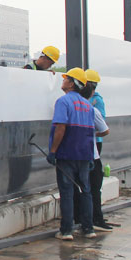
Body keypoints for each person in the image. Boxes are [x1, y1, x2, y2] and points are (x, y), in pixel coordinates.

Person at [47, 67, 97, 241]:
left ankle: (66, 230)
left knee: (67, 192)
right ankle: (88, 228)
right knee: (86, 191)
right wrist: (91, 156)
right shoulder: (88, 105)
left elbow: (60, 127)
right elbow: (91, 132)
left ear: (72, 83)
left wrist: (53, 151)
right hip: (84, 154)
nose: (63, 80)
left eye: (66, 78)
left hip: (67, 153)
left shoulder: (63, 102)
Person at [81, 69, 115, 231]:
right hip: (89, 143)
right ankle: (89, 216)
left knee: (92, 180)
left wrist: (90, 133)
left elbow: (102, 125)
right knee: (89, 180)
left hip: (94, 143)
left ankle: (93, 216)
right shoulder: (86, 101)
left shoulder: (96, 101)